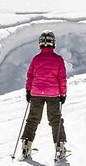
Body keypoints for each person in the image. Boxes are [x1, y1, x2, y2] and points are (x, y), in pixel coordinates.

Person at [20, 31, 68, 161]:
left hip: (36, 93)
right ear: (53, 44)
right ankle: (60, 148)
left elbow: (30, 76)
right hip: (53, 94)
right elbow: (62, 78)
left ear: (40, 44)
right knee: (55, 120)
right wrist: (63, 94)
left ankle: (26, 146)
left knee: (33, 119)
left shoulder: (36, 59)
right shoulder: (58, 59)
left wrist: (28, 91)